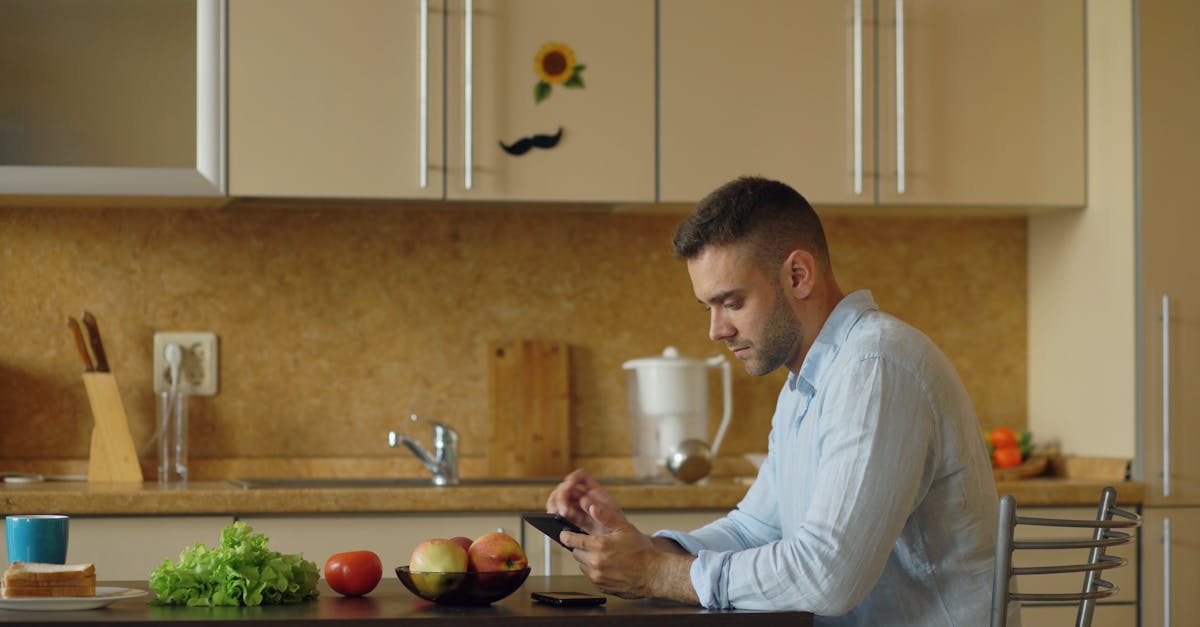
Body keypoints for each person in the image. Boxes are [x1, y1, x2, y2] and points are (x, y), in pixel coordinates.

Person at [545, 176, 1003, 625]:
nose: (716, 330)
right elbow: (755, 530)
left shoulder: (875, 368)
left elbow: (828, 575)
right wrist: (643, 550)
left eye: (732, 302)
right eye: (708, 307)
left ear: (797, 276)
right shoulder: (807, 382)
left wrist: (656, 575)